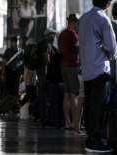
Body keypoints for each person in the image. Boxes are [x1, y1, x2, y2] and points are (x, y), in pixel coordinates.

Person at [79, 0, 116, 153]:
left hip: (87, 69)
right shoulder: (102, 19)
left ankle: (90, 139)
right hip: (100, 69)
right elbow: (112, 47)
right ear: (107, 4)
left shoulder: (83, 18)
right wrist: (110, 54)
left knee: (89, 106)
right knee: (98, 107)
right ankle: (95, 141)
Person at [58, 14, 82, 134]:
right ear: (72, 22)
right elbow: (79, 48)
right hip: (72, 66)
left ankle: (67, 122)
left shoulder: (61, 34)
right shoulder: (72, 34)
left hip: (64, 66)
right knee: (74, 95)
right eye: (77, 22)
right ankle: (74, 123)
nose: (78, 24)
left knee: (67, 95)